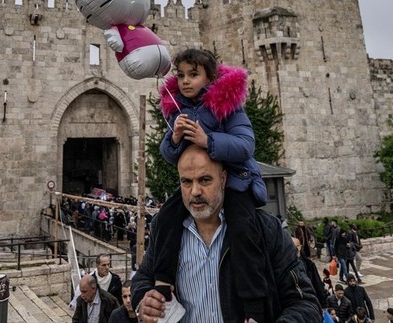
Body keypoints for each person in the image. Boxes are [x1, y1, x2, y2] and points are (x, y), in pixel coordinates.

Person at [131, 144, 321, 323]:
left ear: (223, 179)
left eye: (205, 180)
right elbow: (142, 278)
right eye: (186, 182)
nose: (195, 191)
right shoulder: (165, 229)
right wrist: (144, 301)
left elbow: (305, 303)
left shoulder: (264, 229)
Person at [152, 48, 270, 323]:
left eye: (194, 74)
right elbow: (169, 155)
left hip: (236, 181)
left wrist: (209, 140)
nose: (185, 81)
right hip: (199, 185)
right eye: (181, 75)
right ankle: (163, 286)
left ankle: (253, 309)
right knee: (166, 217)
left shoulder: (227, 104)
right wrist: (174, 139)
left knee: (243, 231)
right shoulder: (177, 109)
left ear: (210, 77)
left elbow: (246, 145)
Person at [292, 236, 327, 309]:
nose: (295, 249)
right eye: (292, 246)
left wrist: (323, 303)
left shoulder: (309, 264)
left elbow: (317, 283)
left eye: (297, 246)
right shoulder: (285, 266)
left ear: (300, 247)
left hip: (310, 299)